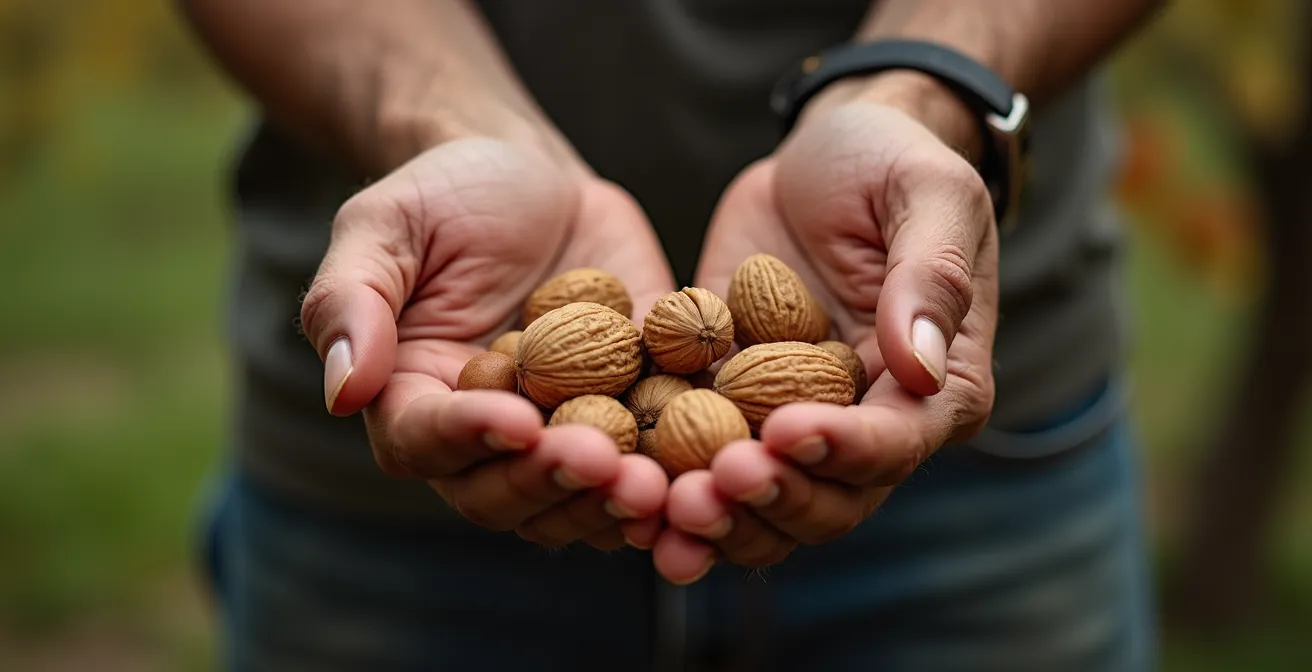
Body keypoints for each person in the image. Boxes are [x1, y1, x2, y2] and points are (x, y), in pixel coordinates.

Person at [179, 1, 1165, 670]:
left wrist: (917, 89)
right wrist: (435, 123)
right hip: (389, 494)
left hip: (978, 468)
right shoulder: (589, 365)